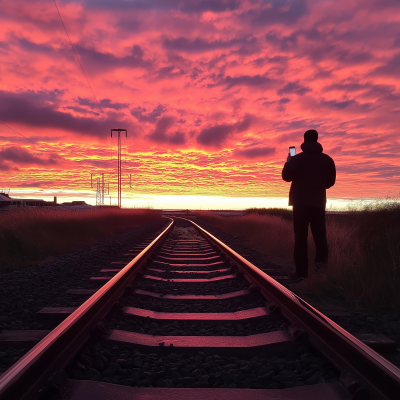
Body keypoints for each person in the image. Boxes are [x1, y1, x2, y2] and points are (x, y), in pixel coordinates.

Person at [282, 129, 336, 280]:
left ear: (304, 141)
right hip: (318, 203)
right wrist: (318, 185)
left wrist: (289, 161)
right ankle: (321, 273)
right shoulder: (328, 160)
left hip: (299, 203)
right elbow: (330, 183)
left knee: (301, 238)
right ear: (317, 140)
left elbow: (286, 177)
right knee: (320, 238)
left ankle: (301, 273)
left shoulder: (296, 158)